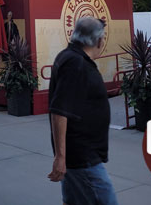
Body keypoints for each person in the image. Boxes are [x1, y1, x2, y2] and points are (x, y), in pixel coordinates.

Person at [47, 17, 117, 205]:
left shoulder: (70, 57)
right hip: (83, 158)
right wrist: (61, 158)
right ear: (99, 41)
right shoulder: (75, 63)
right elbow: (59, 110)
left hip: (79, 157)